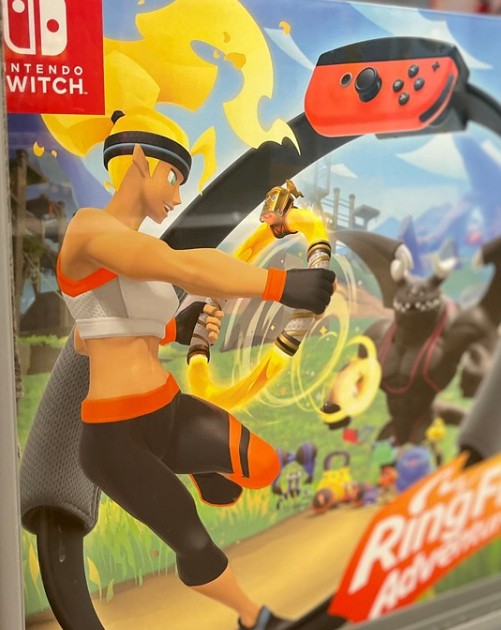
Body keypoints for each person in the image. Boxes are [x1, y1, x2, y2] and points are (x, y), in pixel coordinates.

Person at [59, 110, 335, 630]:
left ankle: (195, 465)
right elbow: (185, 267)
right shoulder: (89, 229)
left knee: (262, 467)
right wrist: (280, 286)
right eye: (173, 178)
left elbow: (96, 332)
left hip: (167, 409)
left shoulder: (138, 252)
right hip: (116, 438)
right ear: (138, 160)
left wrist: (175, 330)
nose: (177, 196)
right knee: (190, 536)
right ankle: (256, 619)